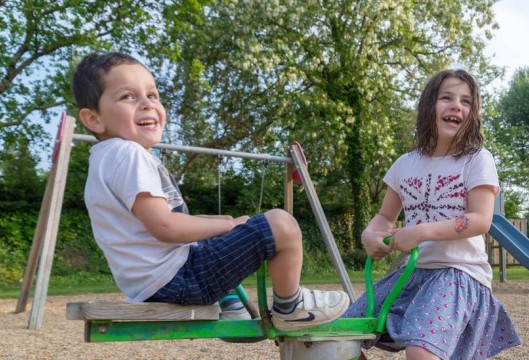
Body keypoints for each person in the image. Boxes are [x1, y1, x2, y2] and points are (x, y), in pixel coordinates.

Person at [342, 69, 521, 360]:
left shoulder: (476, 159)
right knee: (339, 334)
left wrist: (419, 231)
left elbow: (480, 220)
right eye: (446, 98)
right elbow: (384, 218)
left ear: (472, 111)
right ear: (430, 106)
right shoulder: (406, 164)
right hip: (416, 274)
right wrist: (371, 235)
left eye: (464, 100)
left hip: (460, 274)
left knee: (422, 349)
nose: (455, 107)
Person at [71, 51, 348, 330]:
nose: (146, 104)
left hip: (153, 283)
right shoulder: (128, 153)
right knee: (281, 224)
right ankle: (291, 307)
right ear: (93, 119)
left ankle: (231, 305)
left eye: (152, 95)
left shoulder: (105, 158)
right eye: (127, 97)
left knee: (218, 225)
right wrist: (228, 226)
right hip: (178, 281)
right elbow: (166, 227)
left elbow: (165, 226)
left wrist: (226, 223)